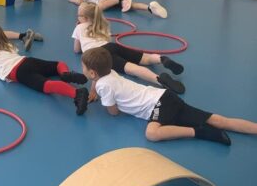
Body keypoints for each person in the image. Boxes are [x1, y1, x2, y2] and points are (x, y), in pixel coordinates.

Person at [81, 47, 257, 145]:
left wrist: (102, 96)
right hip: (165, 96)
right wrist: (94, 89)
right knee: (218, 120)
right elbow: (98, 80)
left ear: (92, 72)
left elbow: (114, 112)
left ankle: (198, 132)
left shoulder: (103, 85)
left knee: (152, 134)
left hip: (157, 106)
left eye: (84, 68)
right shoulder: (110, 72)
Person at [0, 22, 89, 115]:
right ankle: (65, 73)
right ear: (1, 34)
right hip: (26, 61)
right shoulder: (8, 45)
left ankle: (77, 93)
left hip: (18, 72)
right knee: (57, 65)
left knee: (46, 85)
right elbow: (5, 59)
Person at [73, 2, 184, 94]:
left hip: (99, 54)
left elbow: (77, 50)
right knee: (145, 58)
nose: (77, 17)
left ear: (85, 18)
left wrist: (78, 29)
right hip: (112, 47)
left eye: (78, 15)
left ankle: (160, 80)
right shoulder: (101, 25)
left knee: (132, 69)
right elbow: (107, 41)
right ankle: (162, 59)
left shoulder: (79, 27)